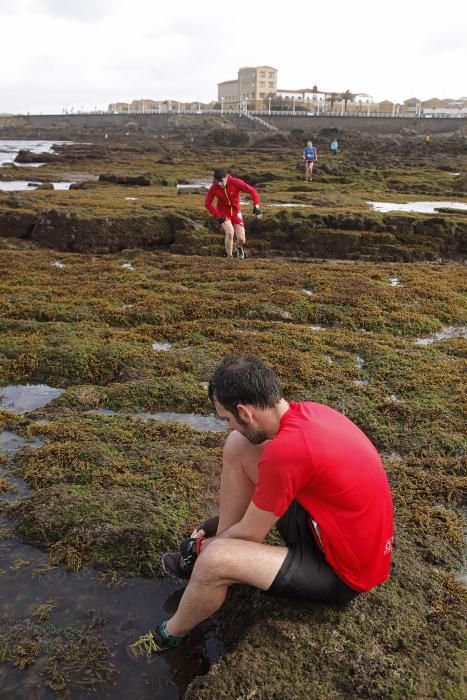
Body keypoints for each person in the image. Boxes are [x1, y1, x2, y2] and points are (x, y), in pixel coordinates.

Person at [130, 355, 394, 657]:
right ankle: (209, 557)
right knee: (238, 445)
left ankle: (170, 634)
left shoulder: (286, 452)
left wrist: (205, 549)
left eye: (227, 418)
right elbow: (279, 476)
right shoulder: (309, 414)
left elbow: (252, 535)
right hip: (329, 527)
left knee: (215, 559)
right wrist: (219, 530)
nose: (229, 425)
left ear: (245, 412)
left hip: (343, 573)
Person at [204, 168, 262, 259]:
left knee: (242, 239)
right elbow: (207, 204)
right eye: (217, 181)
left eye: (221, 181)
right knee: (230, 232)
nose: (219, 184)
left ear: (226, 177)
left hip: (236, 212)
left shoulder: (236, 182)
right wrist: (218, 215)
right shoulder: (214, 187)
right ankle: (229, 257)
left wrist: (257, 206)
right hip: (223, 213)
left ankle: (238, 247)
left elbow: (253, 191)